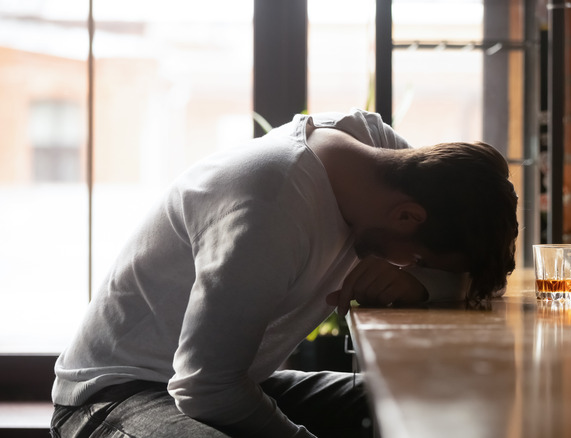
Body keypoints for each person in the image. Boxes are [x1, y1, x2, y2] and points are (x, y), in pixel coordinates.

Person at [50, 108, 518, 437]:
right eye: (418, 260)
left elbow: (467, 281)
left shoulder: (380, 157)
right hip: (115, 397)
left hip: (230, 379)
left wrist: (419, 285)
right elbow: (205, 387)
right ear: (407, 218)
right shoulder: (270, 205)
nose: (409, 268)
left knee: (419, 403)